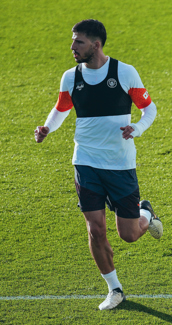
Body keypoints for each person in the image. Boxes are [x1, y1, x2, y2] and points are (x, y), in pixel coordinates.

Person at [34, 18, 162, 310]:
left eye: (78, 41)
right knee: (95, 228)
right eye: (73, 40)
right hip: (86, 161)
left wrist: (137, 129)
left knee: (128, 235)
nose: (72, 47)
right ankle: (114, 289)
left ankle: (146, 214)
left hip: (119, 163)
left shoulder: (124, 72)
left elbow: (149, 109)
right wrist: (46, 129)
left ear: (96, 44)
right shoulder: (71, 77)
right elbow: (61, 108)